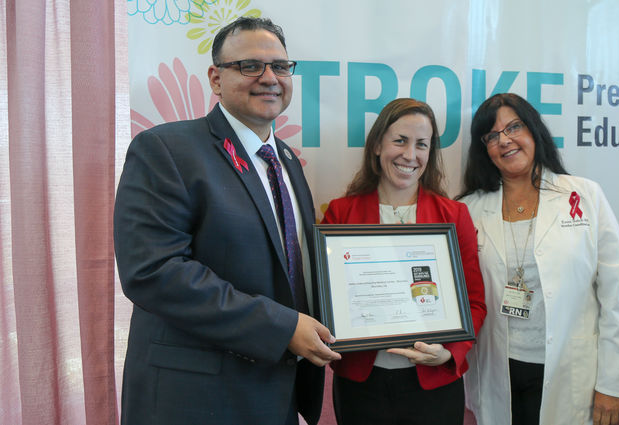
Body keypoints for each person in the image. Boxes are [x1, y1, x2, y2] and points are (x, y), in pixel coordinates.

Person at [113, 17, 340, 425]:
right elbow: (152, 271)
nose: (270, 78)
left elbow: (293, 271)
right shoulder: (165, 149)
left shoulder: (286, 160)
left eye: (281, 67)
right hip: (195, 398)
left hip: (275, 392)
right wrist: (283, 327)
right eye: (250, 66)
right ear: (216, 79)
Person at [458, 93, 619, 425]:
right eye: (492, 136)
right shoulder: (468, 210)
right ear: (484, 149)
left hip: (572, 370)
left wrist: (615, 384)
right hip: (499, 369)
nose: (505, 140)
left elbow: (618, 298)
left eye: (514, 127)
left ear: (535, 132)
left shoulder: (585, 196)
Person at [321, 98, 487, 425]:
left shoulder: (454, 216)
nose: (410, 155)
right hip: (361, 384)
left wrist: (449, 353)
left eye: (421, 145)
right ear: (377, 147)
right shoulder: (341, 214)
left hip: (433, 383)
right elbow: (328, 303)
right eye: (400, 140)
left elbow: (475, 303)